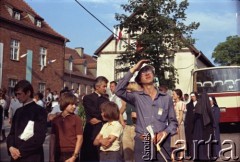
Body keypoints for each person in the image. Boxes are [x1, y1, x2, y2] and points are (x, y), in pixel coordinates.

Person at [115, 60, 178, 162]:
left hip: (162, 144)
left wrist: (165, 133)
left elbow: (173, 123)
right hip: (143, 143)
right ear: (139, 79)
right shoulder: (136, 97)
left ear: (154, 75)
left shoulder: (166, 98)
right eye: (142, 72)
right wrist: (134, 69)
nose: (147, 73)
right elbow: (118, 90)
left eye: (149, 70)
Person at [6, 80, 47, 162]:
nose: (17, 97)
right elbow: (12, 133)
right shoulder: (18, 111)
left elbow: (39, 137)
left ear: (28, 92)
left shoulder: (40, 111)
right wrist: (10, 147)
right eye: (16, 94)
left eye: (19, 94)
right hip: (15, 156)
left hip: (32, 156)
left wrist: (20, 151)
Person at [80, 76, 109, 162]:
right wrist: (103, 116)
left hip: (103, 129)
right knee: (89, 154)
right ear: (97, 87)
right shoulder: (88, 98)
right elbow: (93, 112)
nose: (105, 88)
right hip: (91, 130)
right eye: (104, 86)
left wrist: (101, 119)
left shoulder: (106, 99)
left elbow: (109, 113)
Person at [49, 92, 83, 162]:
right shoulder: (56, 119)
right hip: (58, 152)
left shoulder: (76, 119)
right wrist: (51, 157)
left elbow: (80, 138)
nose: (74, 106)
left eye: (75, 104)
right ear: (65, 103)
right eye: (72, 104)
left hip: (71, 153)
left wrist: (74, 156)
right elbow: (52, 139)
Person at [119, 82, 139, 162]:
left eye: (128, 90)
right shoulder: (126, 101)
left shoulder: (139, 101)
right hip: (127, 128)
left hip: (137, 128)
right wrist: (123, 123)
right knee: (127, 153)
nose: (127, 93)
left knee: (136, 154)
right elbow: (120, 113)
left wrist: (138, 116)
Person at [192, 93, 215, 161]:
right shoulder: (208, 106)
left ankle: (197, 155)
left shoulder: (198, 106)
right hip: (207, 128)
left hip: (198, 127)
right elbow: (211, 118)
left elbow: (194, 118)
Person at [170, 89, 186, 160]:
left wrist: (177, 125)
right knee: (173, 141)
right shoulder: (173, 103)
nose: (172, 95)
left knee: (180, 140)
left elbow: (181, 116)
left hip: (179, 125)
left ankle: (181, 156)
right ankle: (173, 156)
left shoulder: (181, 103)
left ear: (178, 95)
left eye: (174, 94)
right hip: (173, 124)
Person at [184, 91, 198, 158]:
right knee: (189, 139)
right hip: (190, 124)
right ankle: (190, 153)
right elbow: (187, 116)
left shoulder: (199, 104)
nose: (193, 97)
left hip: (197, 124)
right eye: (191, 96)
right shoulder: (188, 105)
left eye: (194, 96)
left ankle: (197, 152)